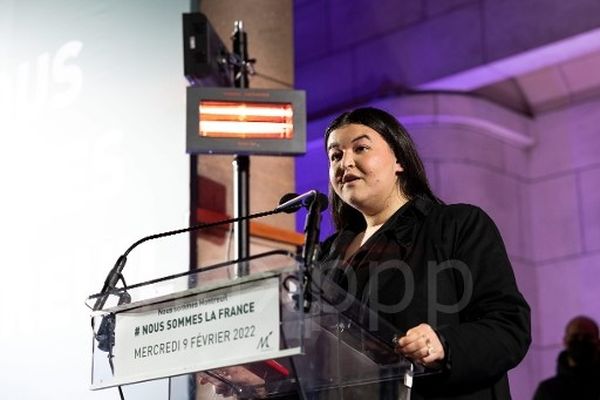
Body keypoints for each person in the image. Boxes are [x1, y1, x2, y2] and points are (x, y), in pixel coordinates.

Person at [317, 107, 531, 399]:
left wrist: (444, 344)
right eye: (335, 155)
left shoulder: (456, 226)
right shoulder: (326, 256)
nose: (346, 163)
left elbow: (509, 327)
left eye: (361, 148)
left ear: (400, 160)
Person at [533, 315, 600, 399]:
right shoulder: (548, 390)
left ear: (598, 342)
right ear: (565, 341)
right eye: (575, 337)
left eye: (587, 337)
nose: (581, 340)